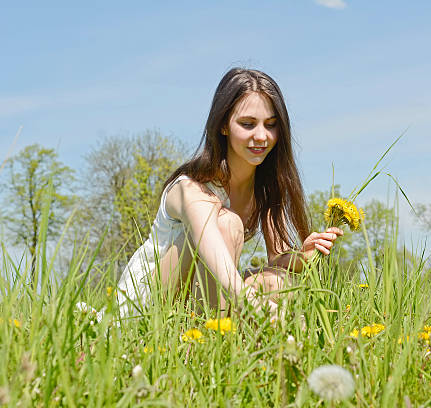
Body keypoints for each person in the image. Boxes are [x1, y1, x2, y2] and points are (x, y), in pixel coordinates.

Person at [116, 68, 343, 318]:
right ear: (223, 125)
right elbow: (213, 247)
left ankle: (232, 345)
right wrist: (253, 305)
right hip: (146, 306)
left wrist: (303, 256)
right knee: (227, 224)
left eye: (271, 125)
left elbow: (278, 259)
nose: (261, 136)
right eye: (247, 124)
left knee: (277, 282)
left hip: (196, 300)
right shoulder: (192, 188)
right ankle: (209, 342)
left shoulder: (265, 188)